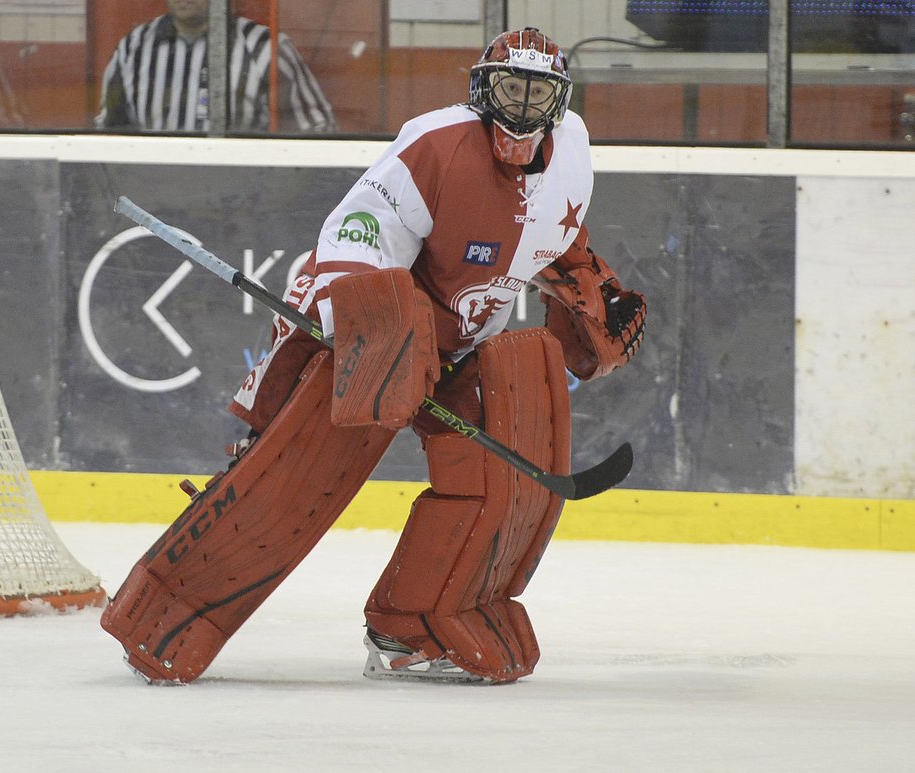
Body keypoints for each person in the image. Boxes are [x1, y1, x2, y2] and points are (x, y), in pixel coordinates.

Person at [100, 28, 646, 685]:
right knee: (289, 481)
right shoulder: (437, 145)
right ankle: (165, 614)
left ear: (561, 101)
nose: (524, 108)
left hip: (460, 346)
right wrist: (381, 332)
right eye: (511, 88)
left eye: (540, 93)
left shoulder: (573, 153)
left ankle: (413, 627)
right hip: (374, 330)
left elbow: (555, 240)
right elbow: (358, 233)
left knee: (511, 445)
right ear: (481, 90)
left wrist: (592, 294)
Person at [95, 0, 336, 133]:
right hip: (154, 203)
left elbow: (317, 132)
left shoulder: (264, 48)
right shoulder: (134, 47)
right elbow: (109, 132)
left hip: (244, 206)